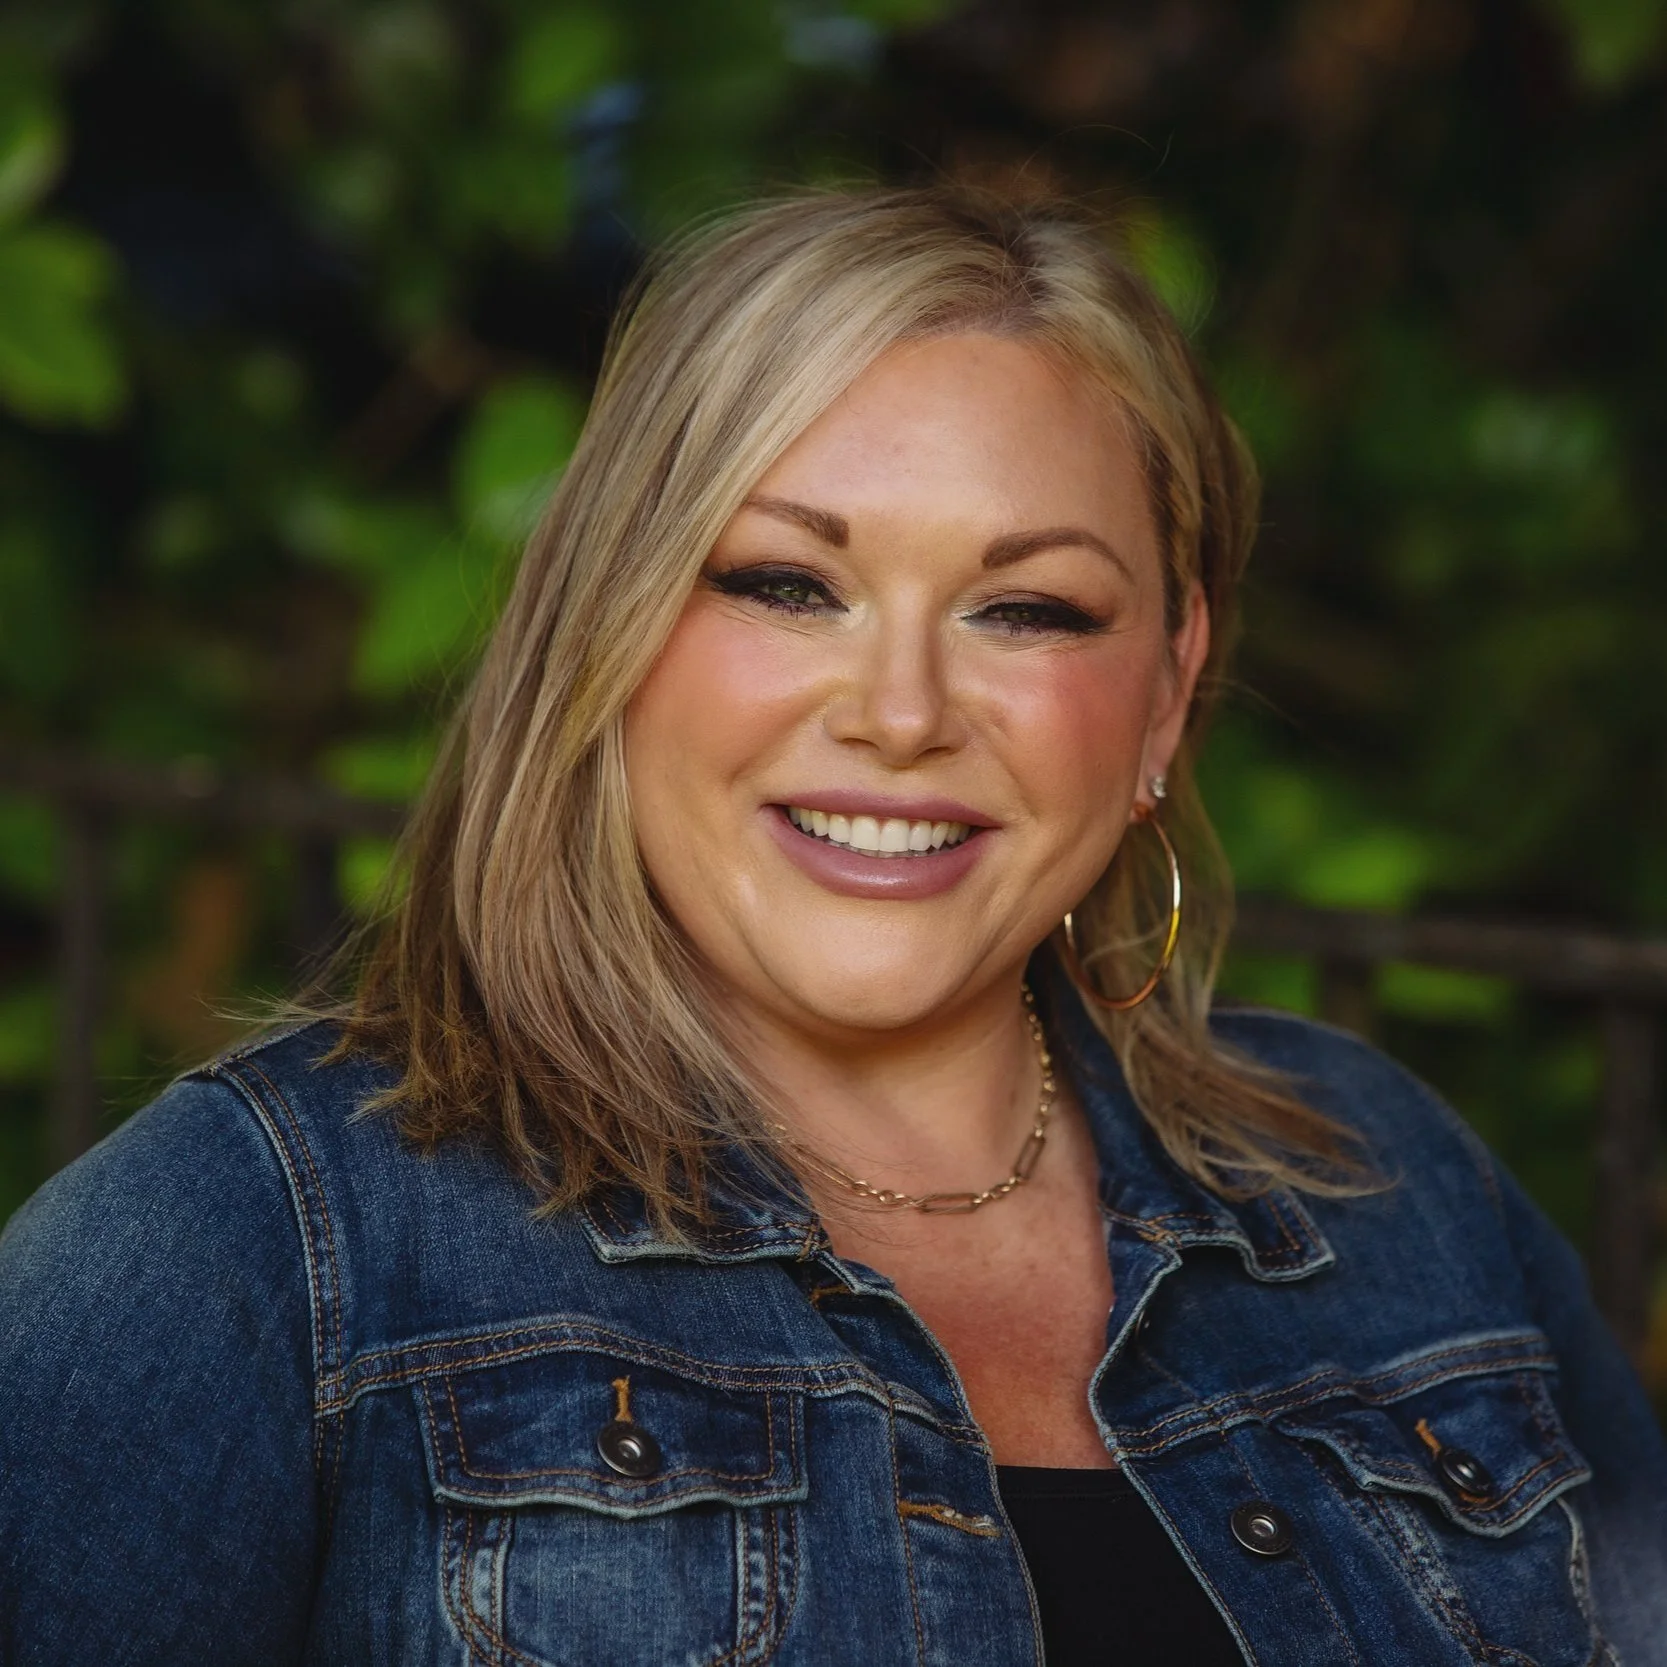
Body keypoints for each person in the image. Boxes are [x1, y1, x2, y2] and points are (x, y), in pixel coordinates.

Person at [2, 188, 1664, 1667]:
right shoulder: (255, 1242)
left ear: (1165, 691)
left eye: (1026, 608)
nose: (901, 712)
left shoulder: (1387, 1187)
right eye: (786, 583)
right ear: (606, 634)